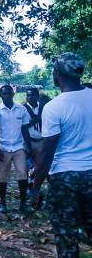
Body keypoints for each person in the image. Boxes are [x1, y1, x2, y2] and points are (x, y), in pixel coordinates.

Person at [31, 53, 92, 257]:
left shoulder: (54, 107)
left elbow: (47, 153)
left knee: (66, 238)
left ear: (57, 75)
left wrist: (36, 186)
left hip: (65, 178)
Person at [0, 85, 32, 214]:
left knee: (23, 173)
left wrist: (30, 148)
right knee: (2, 175)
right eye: (4, 94)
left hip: (18, 148)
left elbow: (25, 130)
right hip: (4, 148)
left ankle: (23, 204)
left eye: (9, 93)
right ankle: (2, 202)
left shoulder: (21, 110)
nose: (7, 96)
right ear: (0, 95)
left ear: (13, 94)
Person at [23, 88, 43, 164]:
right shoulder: (23, 109)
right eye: (28, 95)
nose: (30, 97)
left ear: (37, 96)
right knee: (26, 164)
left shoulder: (43, 108)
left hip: (41, 140)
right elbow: (21, 127)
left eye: (32, 95)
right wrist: (31, 122)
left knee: (41, 164)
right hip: (27, 141)